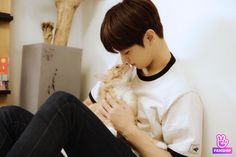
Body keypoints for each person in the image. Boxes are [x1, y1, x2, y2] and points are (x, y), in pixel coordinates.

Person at [0, 0, 203, 157]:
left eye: (127, 51)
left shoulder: (181, 93)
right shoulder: (126, 69)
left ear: (149, 37)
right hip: (100, 144)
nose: (123, 60)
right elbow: (85, 109)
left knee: (64, 104)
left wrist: (128, 129)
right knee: (9, 116)